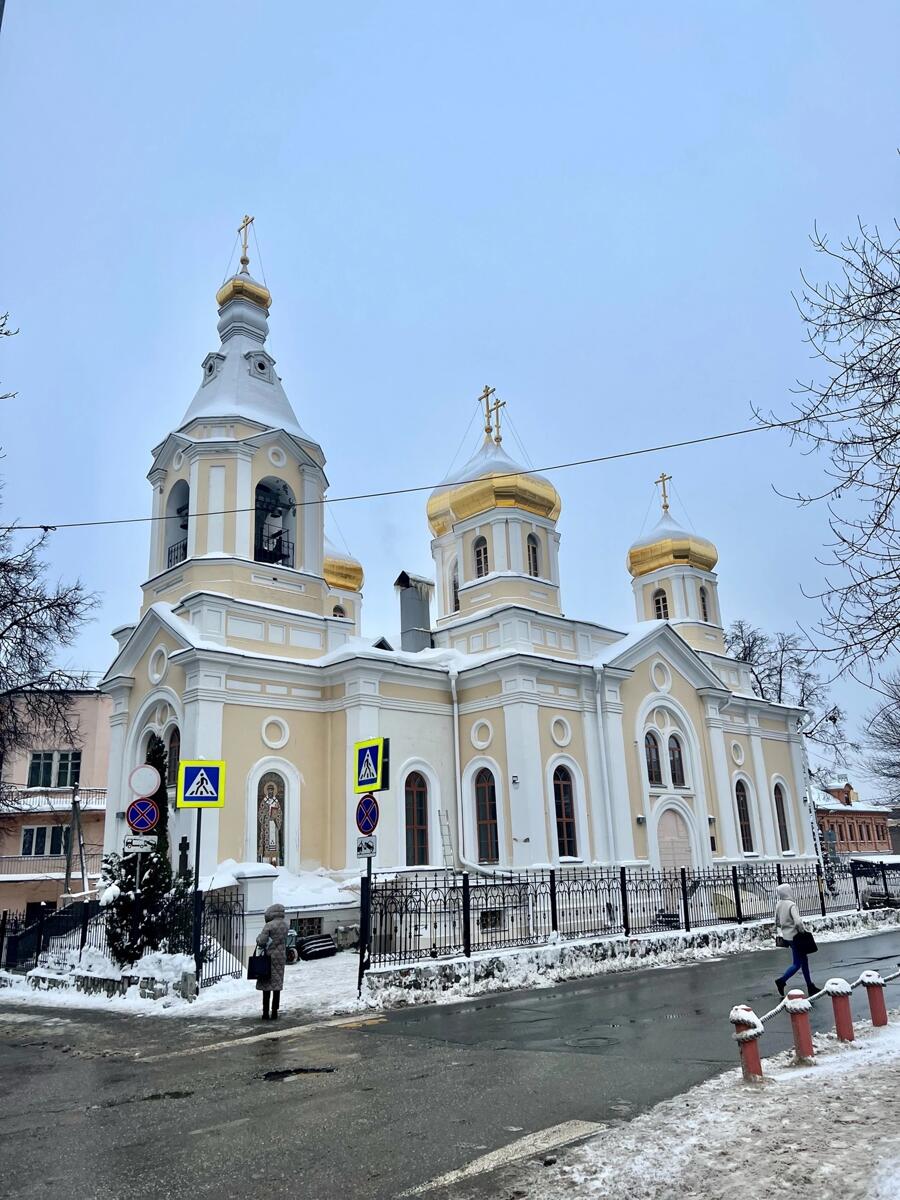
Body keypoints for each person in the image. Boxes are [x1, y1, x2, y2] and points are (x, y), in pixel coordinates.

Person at [773, 883, 819, 997]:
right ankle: (781, 981)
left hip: (787, 937)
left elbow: (777, 922)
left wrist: (785, 927)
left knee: (804, 961)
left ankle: (810, 985)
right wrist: (802, 931)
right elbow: (798, 922)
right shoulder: (791, 905)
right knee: (797, 963)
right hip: (796, 937)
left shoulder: (779, 904)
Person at [256, 902, 288, 1019]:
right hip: (280, 957)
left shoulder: (269, 925)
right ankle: (274, 1011)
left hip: (268, 958)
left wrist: (258, 938)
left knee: (266, 985)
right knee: (276, 986)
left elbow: (262, 941)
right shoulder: (285, 925)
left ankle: (265, 1012)